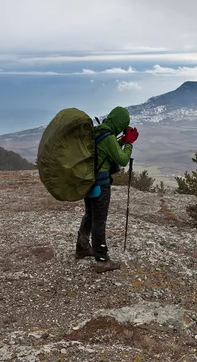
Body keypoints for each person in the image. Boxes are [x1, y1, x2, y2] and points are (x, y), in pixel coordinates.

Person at [74, 106, 139, 273]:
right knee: (99, 220)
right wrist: (129, 143)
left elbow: (105, 150)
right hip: (101, 184)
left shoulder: (99, 131)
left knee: (90, 214)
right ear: (121, 123)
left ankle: (81, 247)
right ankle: (102, 260)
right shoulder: (108, 137)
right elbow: (123, 159)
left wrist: (122, 141)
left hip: (88, 181)